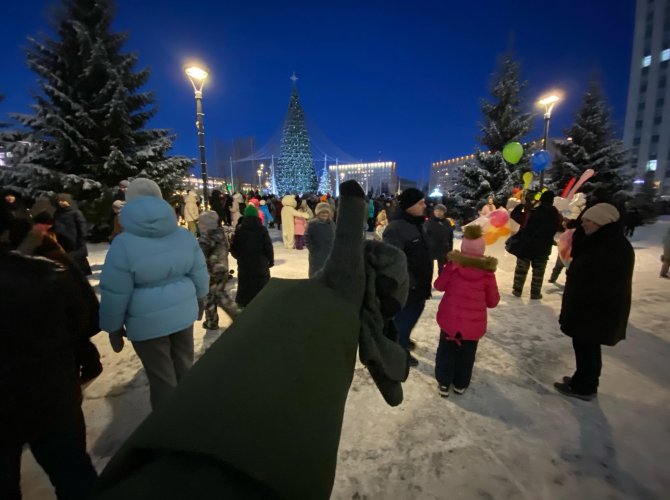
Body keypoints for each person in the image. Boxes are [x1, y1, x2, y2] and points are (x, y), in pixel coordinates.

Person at [0, 210, 99, 500]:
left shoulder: (45, 269)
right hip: (52, 394)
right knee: (74, 476)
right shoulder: (47, 272)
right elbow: (87, 319)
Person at [99, 179, 209, 409]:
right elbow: (199, 271)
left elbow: (115, 291)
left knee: (162, 378)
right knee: (184, 367)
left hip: (146, 322)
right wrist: (201, 298)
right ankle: (190, 413)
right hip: (183, 312)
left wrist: (113, 326)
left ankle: (167, 424)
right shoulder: (183, 236)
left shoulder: (123, 244)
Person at [554, 203, 634, 401]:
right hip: (588, 306)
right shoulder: (599, 241)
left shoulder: (612, 247)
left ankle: (585, 387)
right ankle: (583, 379)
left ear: (602, 222)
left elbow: (603, 279)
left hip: (595, 308)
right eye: (584, 220)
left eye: (589, 221)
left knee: (587, 347)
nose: (584, 224)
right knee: (585, 346)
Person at [433, 225, 499, 397]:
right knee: (467, 355)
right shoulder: (487, 274)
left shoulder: (453, 267)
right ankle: (460, 384)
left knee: (446, 351)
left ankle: (444, 383)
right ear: (482, 250)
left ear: (463, 247)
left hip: (450, 320)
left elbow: (438, 285)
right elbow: (493, 301)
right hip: (473, 326)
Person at [383, 188, 432, 367]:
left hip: (420, 285)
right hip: (408, 288)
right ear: (409, 206)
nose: (424, 206)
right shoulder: (396, 228)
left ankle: (403, 339)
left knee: (412, 316)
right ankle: (399, 351)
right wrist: (410, 283)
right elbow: (393, 261)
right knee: (403, 321)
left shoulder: (417, 223)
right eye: (420, 203)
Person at [511, 190, 562, 300]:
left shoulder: (533, 212)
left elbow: (515, 215)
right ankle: (535, 293)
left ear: (541, 200)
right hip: (543, 247)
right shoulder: (556, 215)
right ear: (552, 201)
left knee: (521, 269)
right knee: (539, 272)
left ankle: (517, 290)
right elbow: (559, 226)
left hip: (526, 245)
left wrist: (522, 204)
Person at [198, 211, 240, 330]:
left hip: (211, 271)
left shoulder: (206, 238)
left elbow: (201, 257)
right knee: (219, 294)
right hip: (222, 268)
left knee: (210, 297)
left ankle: (212, 321)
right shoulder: (221, 234)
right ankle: (234, 314)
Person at [230, 204, 274, 307]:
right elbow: (268, 246)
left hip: (245, 264)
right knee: (261, 287)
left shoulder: (240, 230)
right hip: (261, 264)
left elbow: (234, 248)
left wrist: (240, 257)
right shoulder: (262, 229)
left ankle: (244, 307)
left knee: (245, 286)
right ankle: (262, 306)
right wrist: (270, 260)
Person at [53, 193, 91, 276]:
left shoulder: (75, 212)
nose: (61, 202)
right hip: (62, 243)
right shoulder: (57, 213)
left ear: (68, 201)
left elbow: (82, 227)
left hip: (76, 242)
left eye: (63, 200)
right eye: (59, 200)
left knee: (79, 263)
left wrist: (81, 239)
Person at [305, 202, 336, 277]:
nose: (324, 214)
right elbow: (307, 237)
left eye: (326, 212)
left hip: (329, 252)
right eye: (322, 212)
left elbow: (335, 235)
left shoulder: (331, 223)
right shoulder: (313, 223)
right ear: (318, 213)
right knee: (316, 272)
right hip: (317, 253)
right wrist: (313, 248)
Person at [424, 203, 454, 276]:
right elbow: (424, 237)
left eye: (440, 211)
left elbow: (450, 237)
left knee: (442, 269)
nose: (438, 212)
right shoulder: (428, 223)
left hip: (443, 249)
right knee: (429, 269)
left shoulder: (447, 222)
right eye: (436, 210)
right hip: (430, 250)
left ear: (444, 212)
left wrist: (450, 249)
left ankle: (441, 281)